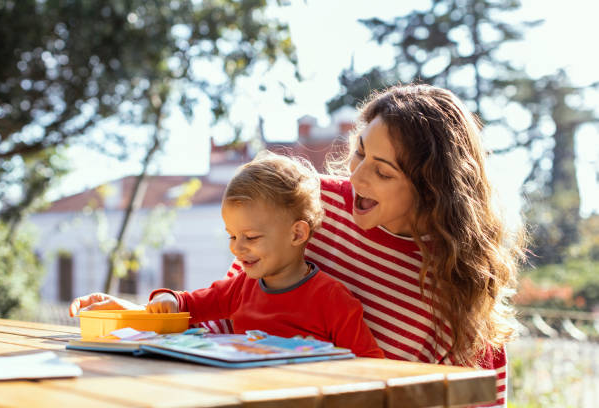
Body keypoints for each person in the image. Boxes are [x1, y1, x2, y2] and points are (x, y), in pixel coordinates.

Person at [208, 84, 523, 407]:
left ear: (431, 190)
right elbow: (227, 311)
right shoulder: (309, 206)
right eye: (360, 152)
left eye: (383, 173)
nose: (356, 178)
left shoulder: (459, 293)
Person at [69, 152, 384, 359]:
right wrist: (169, 301)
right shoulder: (241, 287)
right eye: (232, 236)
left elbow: (372, 368)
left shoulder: (332, 298)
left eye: (251, 237)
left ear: (297, 234)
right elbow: (190, 305)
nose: (237, 248)